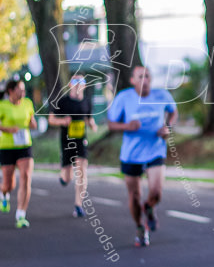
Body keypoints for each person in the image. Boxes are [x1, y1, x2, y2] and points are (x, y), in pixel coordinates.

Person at [107, 66, 178, 247]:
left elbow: (173, 111)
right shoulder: (123, 98)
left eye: (147, 76)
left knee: (156, 192)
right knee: (135, 195)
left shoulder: (162, 96)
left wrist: (168, 126)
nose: (144, 80)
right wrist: (126, 126)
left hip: (155, 150)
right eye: (140, 77)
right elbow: (111, 124)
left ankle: (150, 207)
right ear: (132, 80)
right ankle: (140, 226)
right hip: (131, 154)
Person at [49, 74, 97, 218]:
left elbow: (89, 118)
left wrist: (92, 124)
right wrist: (62, 121)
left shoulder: (86, 102)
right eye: (75, 81)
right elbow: (51, 119)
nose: (78, 84)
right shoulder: (63, 102)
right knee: (68, 177)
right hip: (67, 141)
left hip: (81, 140)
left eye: (81, 81)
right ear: (70, 84)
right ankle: (63, 175)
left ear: (84, 85)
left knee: (82, 171)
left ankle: (78, 205)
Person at [0, 75, 37, 228]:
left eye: (24, 89)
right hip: (7, 147)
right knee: (9, 184)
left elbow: (33, 123)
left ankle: (21, 214)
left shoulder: (28, 103)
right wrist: (8, 129)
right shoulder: (1, 106)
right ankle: (3, 193)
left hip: (24, 145)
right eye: (20, 89)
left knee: (26, 176)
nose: (23, 92)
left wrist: (32, 124)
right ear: (11, 91)